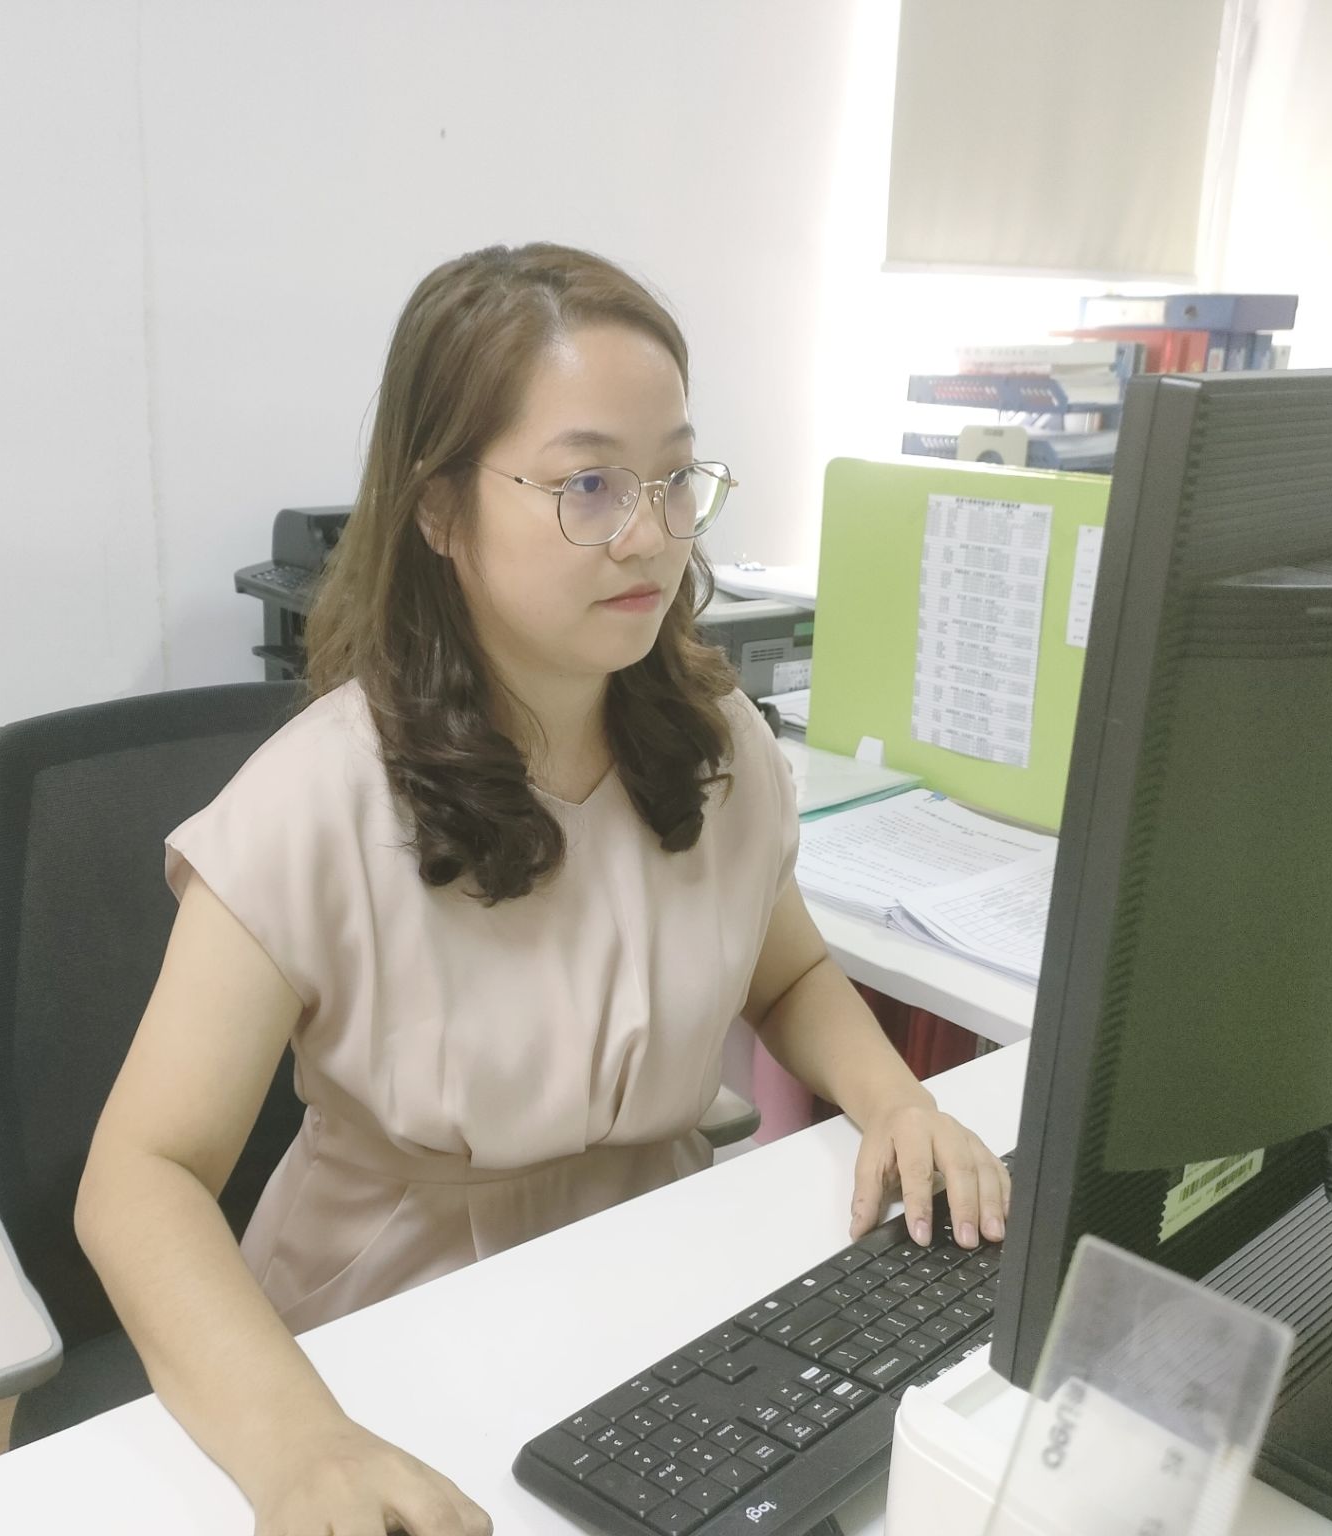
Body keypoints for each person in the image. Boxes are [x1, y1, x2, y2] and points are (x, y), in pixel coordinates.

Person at [75, 243, 1010, 1536]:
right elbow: (140, 1176)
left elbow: (788, 971)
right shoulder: (319, 799)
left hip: (665, 1313)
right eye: (588, 485)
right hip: (381, 1350)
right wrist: (299, 1449)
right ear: (440, 510)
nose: (652, 535)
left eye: (674, 478)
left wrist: (895, 1100)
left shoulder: (715, 743)